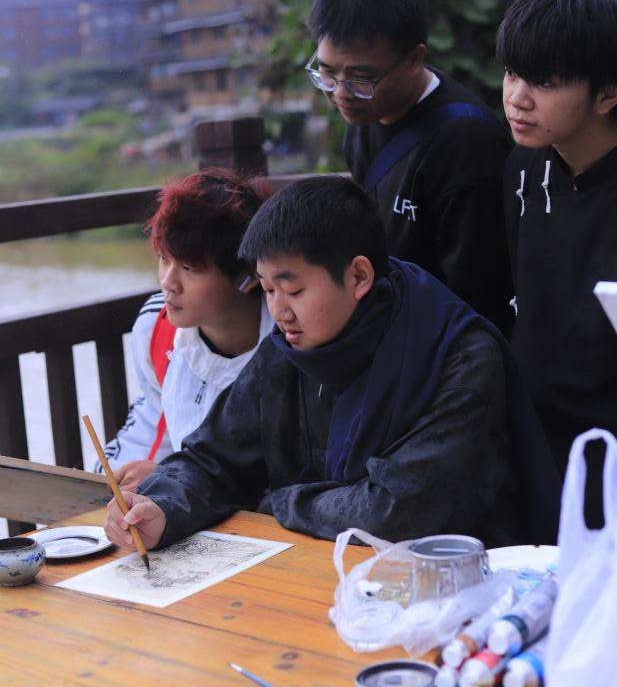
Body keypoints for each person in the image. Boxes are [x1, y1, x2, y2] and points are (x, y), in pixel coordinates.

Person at [104, 176, 560, 553]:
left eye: (294, 290)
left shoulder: (458, 358)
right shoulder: (286, 350)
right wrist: (161, 508)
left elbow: (397, 511)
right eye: (267, 289)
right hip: (319, 570)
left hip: (456, 583)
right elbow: (213, 458)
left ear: (359, 276)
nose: (280, 311)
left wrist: (278, 501)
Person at [305, 0, 513, 332]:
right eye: (327, 73)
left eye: (361, 78)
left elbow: (479, 297)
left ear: (414, 59)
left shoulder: (466, 144)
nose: (340, 94)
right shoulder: (364, 114)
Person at [498, 0, 617, 509]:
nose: (517, 98)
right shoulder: (521, 167)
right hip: (532, 438)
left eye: (544, 82)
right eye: (512, 73)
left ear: (607, 93)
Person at [97, 169, 273, 491]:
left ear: (248, 274)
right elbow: (154, 422)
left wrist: (173, 478)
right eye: (164, 259)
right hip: (192, 506)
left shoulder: (292, 339)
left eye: (189, 267)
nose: (168, 283)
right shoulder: (156, 327)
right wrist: (106, 480)